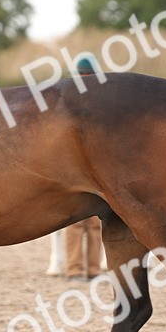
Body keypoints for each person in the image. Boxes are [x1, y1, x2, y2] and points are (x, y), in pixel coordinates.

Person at [65, 56, 103, 281]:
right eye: (82, 76)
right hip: (74, 170)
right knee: (75, 223)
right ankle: (75, 269)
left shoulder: (99, 100)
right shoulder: (69, 100)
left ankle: (93, 269)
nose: (85, 80)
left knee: (95, 224)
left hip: (95, 171)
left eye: (87, 76)